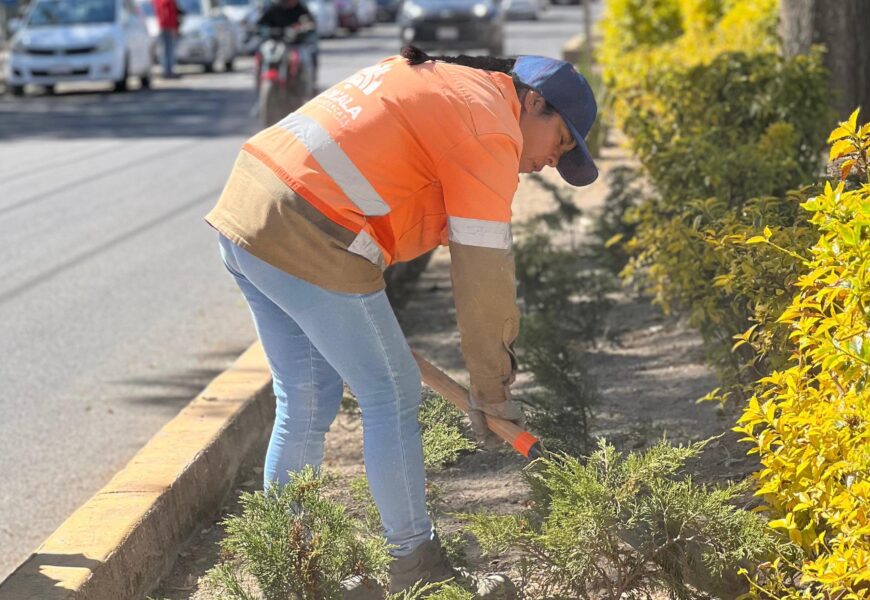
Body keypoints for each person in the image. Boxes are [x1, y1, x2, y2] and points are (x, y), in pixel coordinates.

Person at [205, 46, 598, 597]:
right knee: (390, 393)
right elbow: (482, 277)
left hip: (250, 205)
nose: (551, 163)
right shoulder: (489, 128)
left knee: (308, 396)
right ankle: (417, 563)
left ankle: (291, 570)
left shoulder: (449, 84)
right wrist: (493, 390)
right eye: (559, 144)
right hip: (312, 229)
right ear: (534, 103)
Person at [256, 0, 319, 75]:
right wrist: (264, 31)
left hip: (296, 44)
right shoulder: (274, 8)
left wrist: (302, 28)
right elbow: (262, 23)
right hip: (276, 42)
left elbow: (310, 23)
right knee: (264, 54)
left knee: (305, 59)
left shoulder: (300, 8)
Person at [153, 0, 182, 79]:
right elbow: (169, 14)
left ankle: (166, 70)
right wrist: (173, 27)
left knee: (165, 50)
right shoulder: (168, 1)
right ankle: (167, 71)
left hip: (161, 26)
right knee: (168, 50)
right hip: (167, 27)